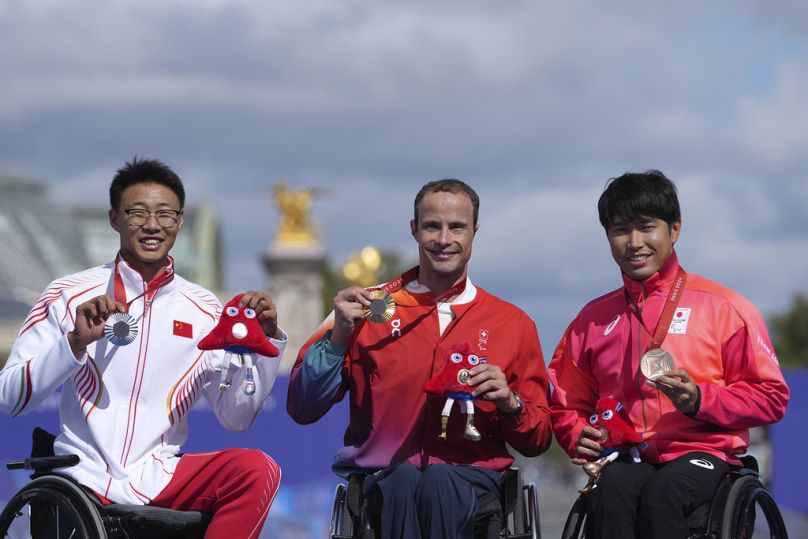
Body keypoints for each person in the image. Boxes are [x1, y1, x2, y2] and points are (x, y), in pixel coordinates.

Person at [0, 158, 287, 539]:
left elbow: (237, 417)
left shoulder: (204, 310)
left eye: (165, 214)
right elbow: (11, 397)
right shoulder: (67, 294)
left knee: (256, 469)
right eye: (137, 213)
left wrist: (263, 345)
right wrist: (74, 343)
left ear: (180, 222)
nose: (152, 225)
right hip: (80, 475)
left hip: (160, 477)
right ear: (114, 219)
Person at [288, 179, 552, 539]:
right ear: (414, 230)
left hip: (473, 483)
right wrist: (338, 339)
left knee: (440, 481)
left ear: (474, 231)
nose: (444, 239)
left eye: (456, 226)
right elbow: (303, 407)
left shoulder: (512, 323)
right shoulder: (365, 308)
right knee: (404, 479)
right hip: (383, 483)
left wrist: (510, 403)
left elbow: (537, 441)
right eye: (432, 226)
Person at [549, 170, 790, 539]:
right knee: (610, 489)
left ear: (674, 229)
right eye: (620, 230)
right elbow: (565, 402)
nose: (634, 242)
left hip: (706, 453)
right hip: (630, 455)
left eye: (647, 227)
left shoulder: (725, 307)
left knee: (667, 492)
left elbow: (771, 398)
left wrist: (699, 399)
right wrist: (577, 433)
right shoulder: (591, 319)